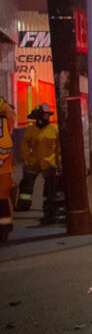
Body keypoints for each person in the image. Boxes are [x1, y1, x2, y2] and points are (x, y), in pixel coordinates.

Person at [20, 104, 62, 224]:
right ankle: (24, 203)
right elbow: (24, 146)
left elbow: (59, 147)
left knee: (49, 189)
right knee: (26, 184)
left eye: (48, 115)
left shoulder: (54, 129)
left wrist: (59, 162)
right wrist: (27, 158)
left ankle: (49, 211)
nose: (47, 117)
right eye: (45, 114)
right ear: (38, 116)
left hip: (49, 163)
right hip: (34, 162)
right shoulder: (30, 130)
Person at [0, 98, 15, 242]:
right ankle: (4, 229)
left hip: (3, 172)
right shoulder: (6, 124)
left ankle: (4, 230)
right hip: (4, 170)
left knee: (3, 201)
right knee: (3, 201)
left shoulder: (6, 123)